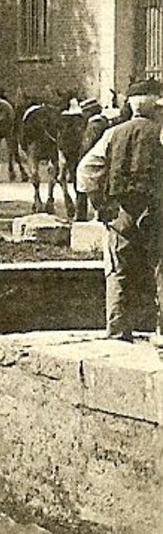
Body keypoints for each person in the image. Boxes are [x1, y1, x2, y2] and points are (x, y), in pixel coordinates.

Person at [99, 80, 163, 345]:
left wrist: (102, 206)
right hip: (156, 208)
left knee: (119, 269)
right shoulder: (159, 132)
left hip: (122, 210)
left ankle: (117, 330)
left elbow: (86, 173)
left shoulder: (113, 133)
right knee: (161, 266)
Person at [75, 97, 114, 222]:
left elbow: (88, 144)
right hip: (105, 157)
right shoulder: (104, 122)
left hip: (95, 158)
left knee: (83, 183)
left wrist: (82, 157)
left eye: (85, 113)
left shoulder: (94, 125)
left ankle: (81, 215)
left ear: (90, 112)